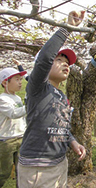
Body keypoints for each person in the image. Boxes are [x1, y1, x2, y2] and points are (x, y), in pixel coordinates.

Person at [17, 11, 86, 188]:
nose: (65, 64)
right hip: (37, 167)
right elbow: (44, 59)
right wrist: (67, 28)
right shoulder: (38, 88)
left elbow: (61, 124)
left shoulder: (62, 96)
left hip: (58, 163)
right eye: (59, 59)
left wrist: (73, 142)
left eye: (67, 62)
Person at [0, 68, 27, 187]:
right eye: (17, 79)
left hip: (21, 138)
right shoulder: (2, 99)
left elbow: (21, 117)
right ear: (5, 83)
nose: (20, 82)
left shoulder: (17, 98)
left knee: (22, 171)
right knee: (4, 171)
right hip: (7, 140)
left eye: (20, 79)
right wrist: (31, 104)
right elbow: (14, 113)